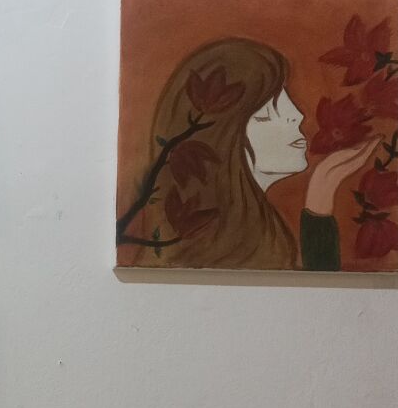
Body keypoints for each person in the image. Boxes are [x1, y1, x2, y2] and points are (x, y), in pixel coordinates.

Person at [121, 38, 379, 270]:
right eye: (267, 113)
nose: (297, 115)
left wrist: (321, 194)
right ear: (223, 138)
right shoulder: (220, 252)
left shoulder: (252, 230)